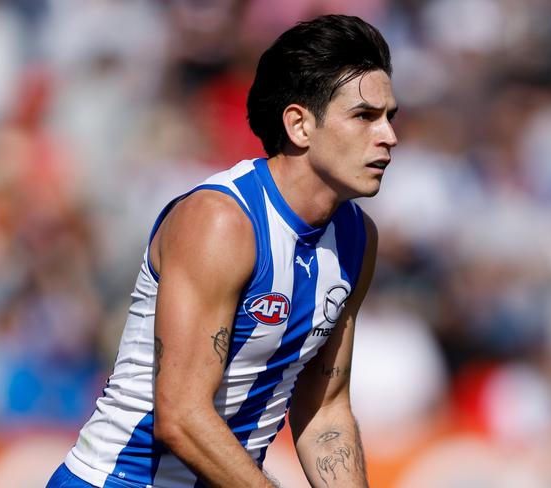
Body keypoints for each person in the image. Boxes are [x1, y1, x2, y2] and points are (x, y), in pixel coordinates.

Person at [47, 13, 397, 488]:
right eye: (364, 117)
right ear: (299, 126)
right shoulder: (222, 221)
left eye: (389, 117)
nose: (388, 136)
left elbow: (326, 409)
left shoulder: (358, 239)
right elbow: (183, 416)